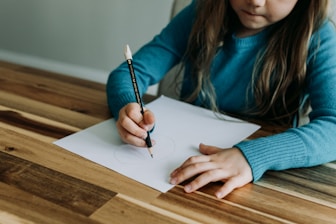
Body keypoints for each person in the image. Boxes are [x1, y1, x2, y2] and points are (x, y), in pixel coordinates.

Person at [106, 0, 336, 199]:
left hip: (264, 186)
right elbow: (129, 72)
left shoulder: (318, 35)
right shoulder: (201, 12)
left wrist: (251, 156)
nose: (256, 1)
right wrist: (127, 106)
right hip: (179, 171)